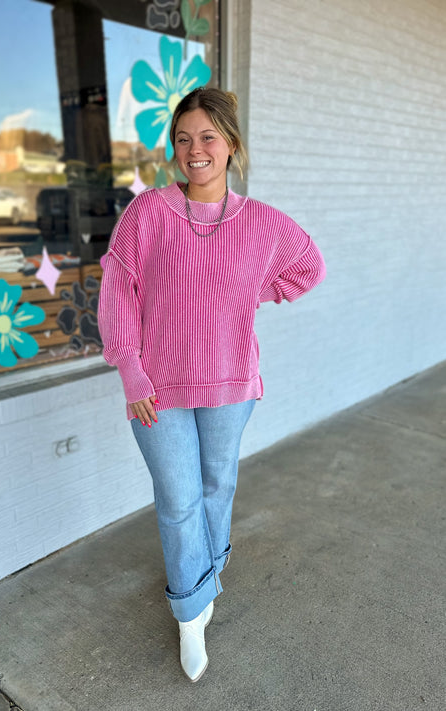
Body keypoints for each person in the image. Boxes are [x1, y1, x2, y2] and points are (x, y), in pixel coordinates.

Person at [97, 87, 326, 682]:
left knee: (217, 484)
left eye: (207, 137)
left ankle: (204, 574)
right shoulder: (147, 212)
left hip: (232, 385)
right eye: (183, 138)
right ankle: (191, 612)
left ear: (230, 146)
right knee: (178, 501)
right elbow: (118, 284)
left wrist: (259, 292)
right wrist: (130, 368)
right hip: (158, 388)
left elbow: (308, 267)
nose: (194, 150)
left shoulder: (261, 223)